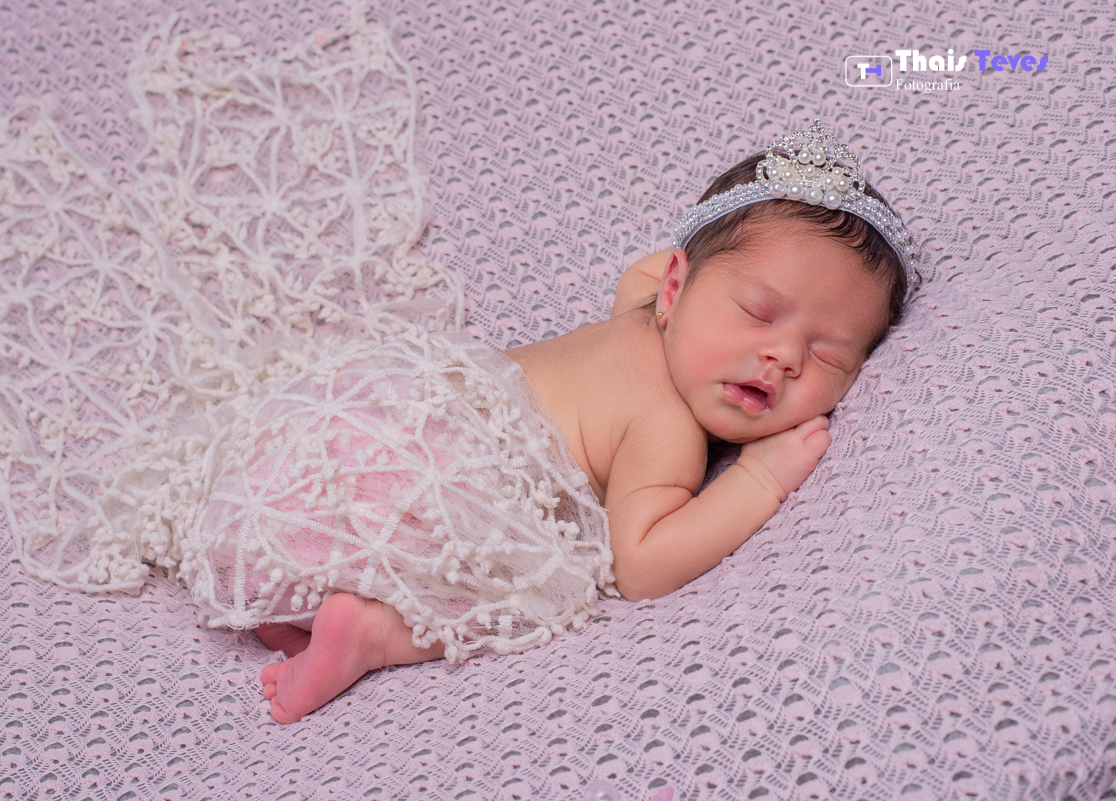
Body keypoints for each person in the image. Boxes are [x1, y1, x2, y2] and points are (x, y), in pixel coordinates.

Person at [253, 120, 921, 723]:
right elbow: (640, 566)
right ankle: (371, 633)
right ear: (676, 290)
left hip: (372, 423)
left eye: (828, 355)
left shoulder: (641, 306)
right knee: (543, 592)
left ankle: (295, 589)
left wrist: (714, 279)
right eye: (758, 312)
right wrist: (761, 479)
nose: (784, 357)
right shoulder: (667, 428)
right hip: (444, 485)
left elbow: (650, 267)